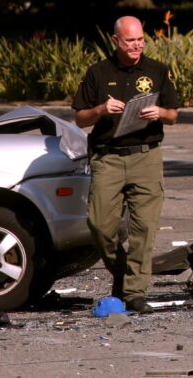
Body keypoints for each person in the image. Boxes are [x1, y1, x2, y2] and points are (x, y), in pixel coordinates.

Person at [73, 16, 180, 312]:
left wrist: (160, 112)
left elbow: (174, 114)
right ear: (116, 40)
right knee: (100, 225)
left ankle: (134, 293)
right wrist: (100, 109)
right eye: (130, 41)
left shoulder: (157, 70)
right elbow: (80, 118)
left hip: (146, 156)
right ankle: (123, 275)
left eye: (141, 40)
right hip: (107, 157)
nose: (137, 46)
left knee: (144, 228)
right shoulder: (98, 72)